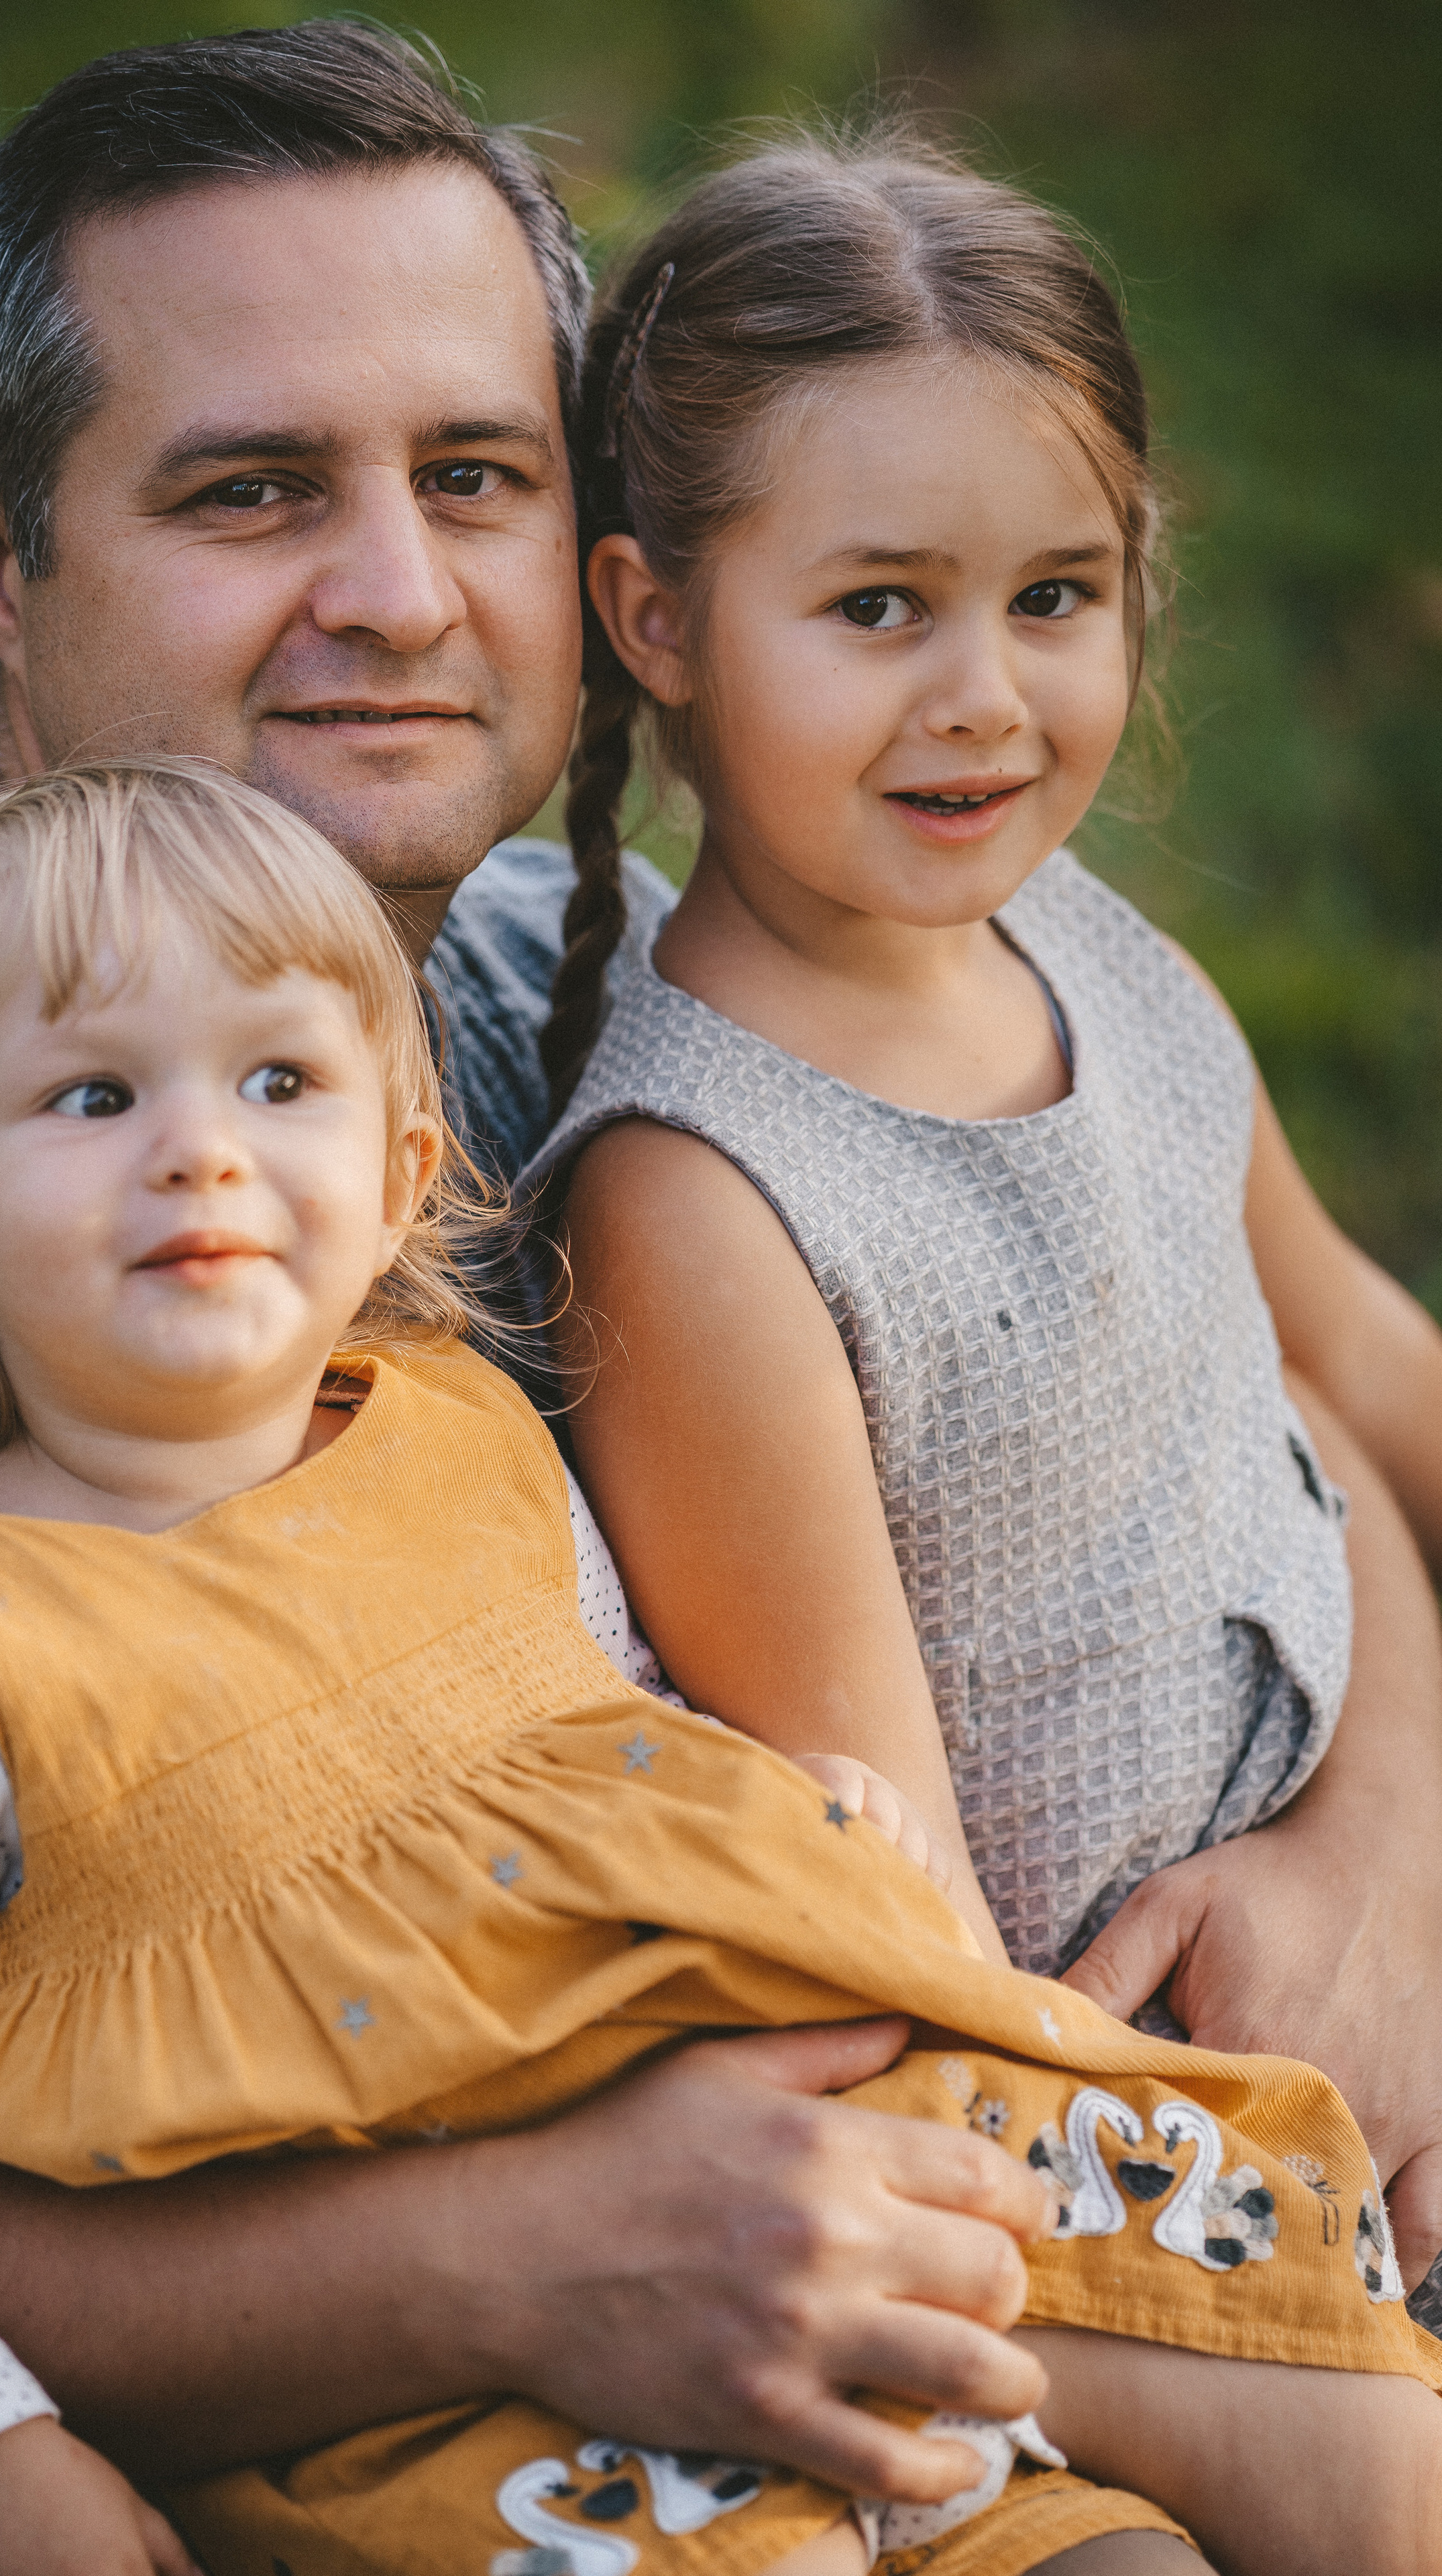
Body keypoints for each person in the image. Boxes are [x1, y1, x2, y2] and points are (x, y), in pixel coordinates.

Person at [0, 21, 1435, 2571]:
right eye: (252, 490)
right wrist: (511, 2258)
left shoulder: (644, 953)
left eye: (474, 475)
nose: (399, 594)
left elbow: (1248, 1373)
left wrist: (1384, 1858)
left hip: (1012, 2183)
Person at [526, 131, 1442, 2118]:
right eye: (879, 607)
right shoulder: (701, 1200)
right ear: (655, 618)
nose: (985, 697)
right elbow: (905, 1922)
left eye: (1053, 596)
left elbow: (1360, 1359)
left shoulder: (1098, 957)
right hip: (1172, 2125)